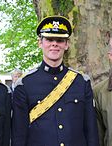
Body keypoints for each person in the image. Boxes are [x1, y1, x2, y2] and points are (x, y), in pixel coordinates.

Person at [12, 16, 99, 146]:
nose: (54, 44)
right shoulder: (24, 84)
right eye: (49, 39)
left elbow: (91, 130)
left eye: (59, 40)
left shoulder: (81, 82)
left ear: (67, 44)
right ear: (40, 43)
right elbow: (19, 134)